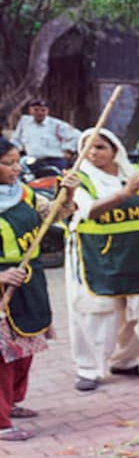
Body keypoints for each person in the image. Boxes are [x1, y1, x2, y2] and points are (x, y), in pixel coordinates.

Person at [60, 129, 139, 392]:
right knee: (95, 312)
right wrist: (125, 194)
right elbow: (89, 210)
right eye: (87, 147)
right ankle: (88, 369)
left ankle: (126, 360)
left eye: (100, 147)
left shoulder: (137, 175)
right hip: (95, 257)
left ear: (115, 149)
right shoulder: (77, 178)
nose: (93, 153)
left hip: (136, 255)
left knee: (138, 311)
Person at [0, 139, 64, 439]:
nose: (16, 169)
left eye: (17, 162)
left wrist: (68, 192)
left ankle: (12, 402)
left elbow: (55, 215)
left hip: (30, 281)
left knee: (23, 349)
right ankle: (1, 422)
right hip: (4, 289)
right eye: (8, 163)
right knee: (2, 357)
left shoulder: (24, 194)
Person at [11, 99, 80, 175]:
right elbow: (16, 140)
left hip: (54, 161)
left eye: (43, 110)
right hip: (32, 161)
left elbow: (77, 135)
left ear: (47, 111)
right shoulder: (24, 122)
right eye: (36, 110)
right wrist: (13, 153)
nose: (39, 113)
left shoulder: (56, 124)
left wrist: (68, 149)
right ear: (30, 110)